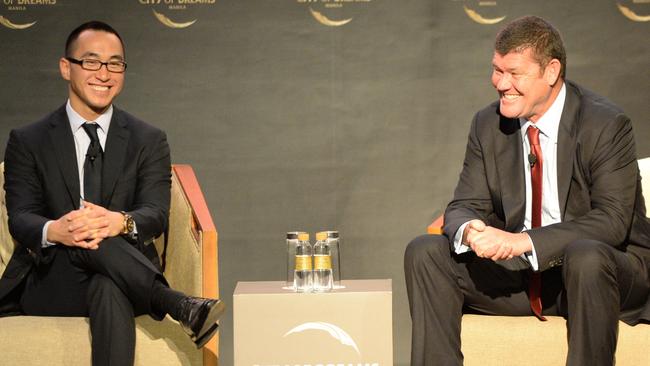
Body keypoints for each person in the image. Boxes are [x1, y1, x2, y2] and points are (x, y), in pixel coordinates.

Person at [404, 15, 650, 366]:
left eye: (514, 73)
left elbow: (611, 222)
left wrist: (523, 241)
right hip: (526, 277)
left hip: (596, 275)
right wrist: (470, 230)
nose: (500, 83)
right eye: (496, 70)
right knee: (426, 251)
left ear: (551, 72)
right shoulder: (488, 124)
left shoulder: (605, 125)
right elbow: (463, 204)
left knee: (586, 256)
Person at [0, 21, 225, 366]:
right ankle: (176, 304)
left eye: (115, 64)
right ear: (66, 68)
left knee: (108, 284)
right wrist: (57, 230)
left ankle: (173, 302)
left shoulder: (147, 139)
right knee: (86, 237)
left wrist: (117, 223)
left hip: (126, 279)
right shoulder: (29, 140)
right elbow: (21, 216)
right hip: (53, 280)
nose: (103, 74)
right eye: (91, 62)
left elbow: (154, 214)